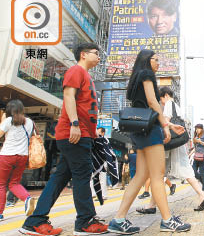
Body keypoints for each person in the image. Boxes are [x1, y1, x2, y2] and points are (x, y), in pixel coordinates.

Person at [20, 43, 108, 235]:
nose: (99, 57)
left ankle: (35, 220)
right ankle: (85, 222)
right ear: (83, 55)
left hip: (81, 134)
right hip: (75, 133)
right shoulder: (76, 71)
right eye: (96, 54)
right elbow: (68, 96)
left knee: (59, 178)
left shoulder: (86, 76)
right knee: (82, 176)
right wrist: (75, 125)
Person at [107, 50, 190, 234]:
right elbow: (153, 102)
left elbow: (145, 106)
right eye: (156, 60)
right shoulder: (146, 74)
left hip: (139, 130)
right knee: (158, 176)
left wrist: (167, 123)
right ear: (147, 60)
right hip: (150, 130)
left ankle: (118, 219)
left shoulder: (136, 77)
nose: (159, 63)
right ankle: (168, 220)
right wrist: (164, 126)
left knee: (141, 176)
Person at [136, 86, 204, 213]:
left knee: (164, 172)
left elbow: (165, 121)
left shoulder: (169, 104)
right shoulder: (177, 106)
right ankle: (152, 205)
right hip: (178, 143)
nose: (161, 102)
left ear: (165, 95)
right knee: (162, 173)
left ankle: (202, 196)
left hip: (171, 142)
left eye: (160, 99)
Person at [0, 100, 36, 221]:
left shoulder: (8, 121)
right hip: (22, 156)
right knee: (14, 183)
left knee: (1, 184)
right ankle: (27, 198)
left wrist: (3, 119)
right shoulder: (29, 122)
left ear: (9, 111)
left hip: (7, 156)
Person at [191, 124, 204, 192]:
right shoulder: (195, 136)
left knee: (202, 171)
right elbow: (195, 147)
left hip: (203, 155)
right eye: (196, 129)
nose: (197, 130)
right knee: (193, 171)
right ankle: (202, 180)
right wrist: (190, 154)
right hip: (196, 156)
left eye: (198, 128)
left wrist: (200, 141)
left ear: (201, 129)